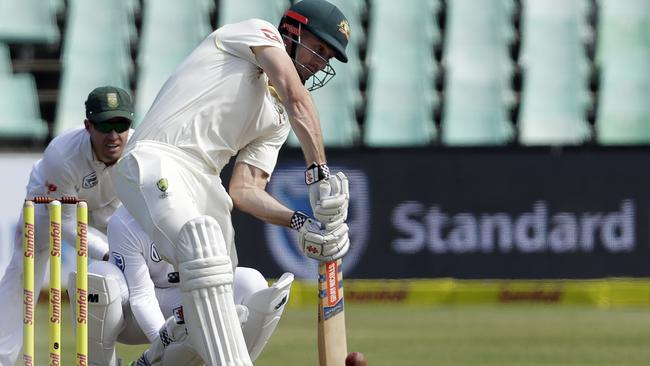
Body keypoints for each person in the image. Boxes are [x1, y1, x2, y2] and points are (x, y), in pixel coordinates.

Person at [111, 0, 351, 364]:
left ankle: (154, 360)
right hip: (159, 157)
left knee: (242, 295)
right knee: (202, 249)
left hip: (206, 184)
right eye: (318, 49)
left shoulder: (277, 118)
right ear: (292, 30)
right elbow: (293, 91)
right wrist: (318, 173)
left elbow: (244, 190)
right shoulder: (255, 33)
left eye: (328, 58)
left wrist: (301, 222)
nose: (320, 63)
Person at [0, 86, 135, 365]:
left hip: (109, 205)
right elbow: (67, 224)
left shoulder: (139, 148)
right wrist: (109, 253)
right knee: (22, 273)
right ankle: (3, 356)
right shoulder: (61, 155)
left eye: (120, 125)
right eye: (104, 125)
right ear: (88, 126)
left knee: (135, 269)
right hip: (48, 205)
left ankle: (110, 357)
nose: (113, 135)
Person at [69, 206, 293, 366]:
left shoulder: (205, 204)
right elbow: (141, 296)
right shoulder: (126, 220)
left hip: (188, 302)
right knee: (98, 277)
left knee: (251, 283)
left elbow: (216, 278)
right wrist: (162, 343)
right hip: (131, 317)